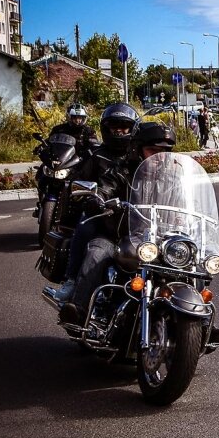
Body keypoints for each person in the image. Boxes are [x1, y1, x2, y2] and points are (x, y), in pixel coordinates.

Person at [59, 121, 219, 347]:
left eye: (164, 151)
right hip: (120, 234)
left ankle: (200, 328)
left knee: (193, 266)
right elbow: (105, 188)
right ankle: (79, 311)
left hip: (161, 239)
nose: (158, 156)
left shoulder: (175, 176)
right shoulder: (121, 171)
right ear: (137, 148)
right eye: (152, 150)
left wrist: (209, 225)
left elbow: (190, 203)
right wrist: (99, 199)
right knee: (97, 253)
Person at [52, 102, 140, 302]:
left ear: (132, 129)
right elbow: (78, 180)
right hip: (103, 214)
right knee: (85, 226)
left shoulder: (137, 156)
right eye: (114, 126)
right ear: (106, 128)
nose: (119, 130)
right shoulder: (97, 156)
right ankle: (72, 280)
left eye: (124, 126)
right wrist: (89, 198)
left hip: (136, 217)